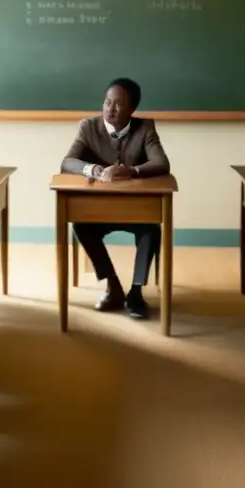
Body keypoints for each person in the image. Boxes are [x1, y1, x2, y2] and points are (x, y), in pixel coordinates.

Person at [61, 78, 170, 319]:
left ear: (132, 109)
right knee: (81, 226)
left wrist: (132, 170)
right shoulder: (88, 127)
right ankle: (113, 286)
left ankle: (136, 292)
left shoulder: (145, 128)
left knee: (152, 231)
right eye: (107, 102)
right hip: (98, 209)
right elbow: (68, 162)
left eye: (118, 105)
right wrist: (94, 170)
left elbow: (161, 163)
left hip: (136, 210)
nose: (110, 109)